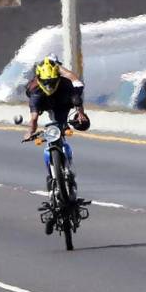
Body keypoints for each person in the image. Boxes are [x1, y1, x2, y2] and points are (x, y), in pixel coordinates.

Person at [24, 56, 90, 235]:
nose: (49, 84)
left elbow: (77, 96)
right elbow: (34, 118)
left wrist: (80, 115)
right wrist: (30, 132)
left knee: (63, 125)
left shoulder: (68, 86)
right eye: (46, 81)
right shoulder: (35, 91)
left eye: (52, 80)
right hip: (47, 105)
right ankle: (54, 180)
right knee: (46, 131)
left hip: (63, 106)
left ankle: (67, 171)